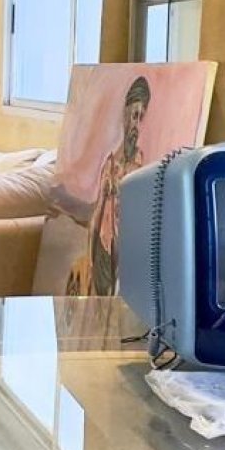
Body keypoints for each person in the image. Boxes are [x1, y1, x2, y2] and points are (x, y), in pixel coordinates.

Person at [67, 75, 150, 296]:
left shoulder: (142, 167)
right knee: (101, 303)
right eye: (134, 115)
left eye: (141, 117)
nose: (136, 124)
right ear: (125, 115)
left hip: (127, 250)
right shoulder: (110, 163)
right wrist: (89, 254)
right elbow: (98, 212)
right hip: (104, 247)